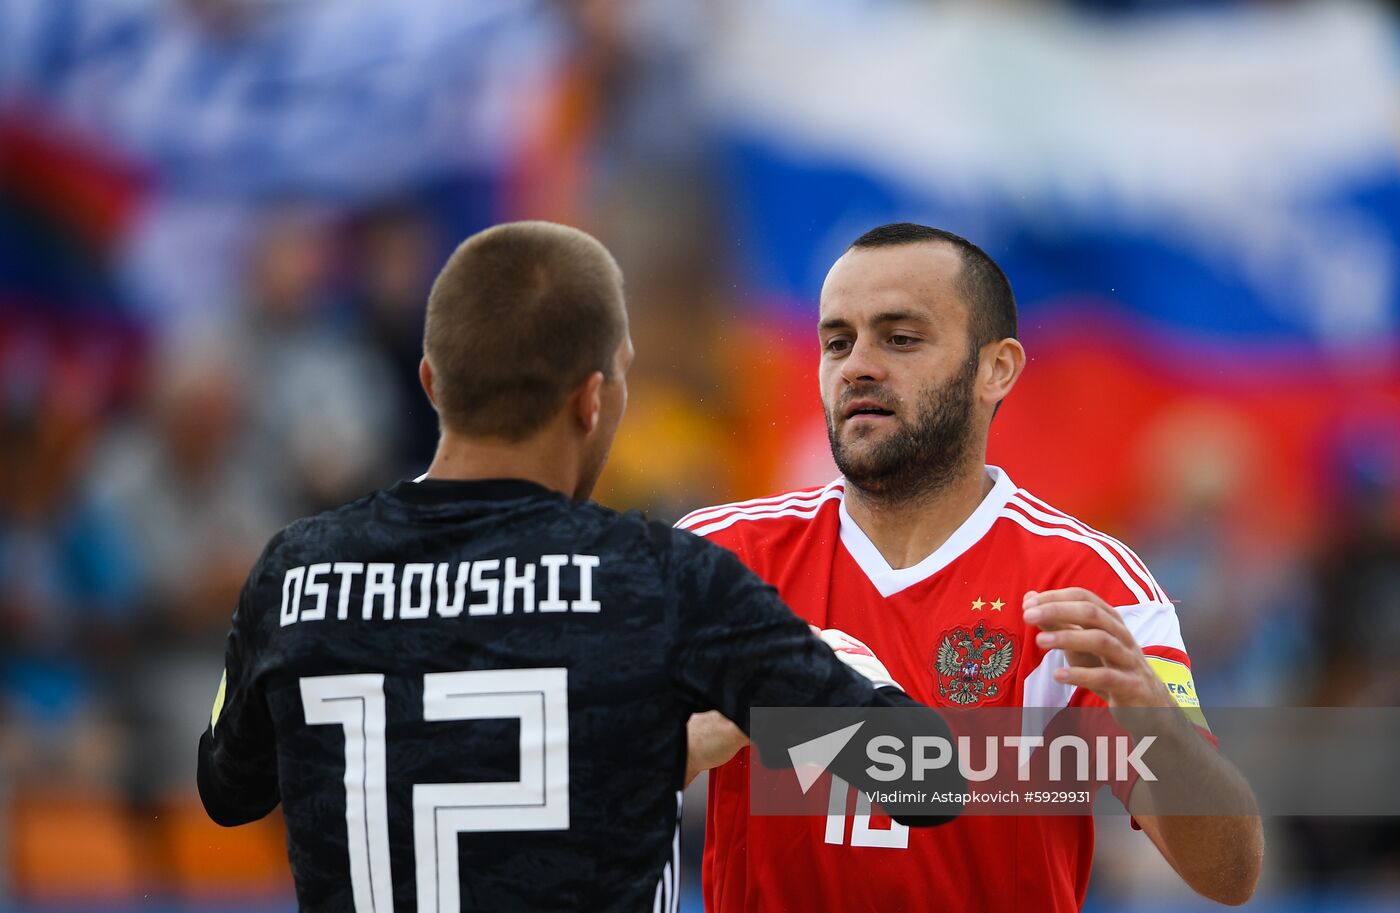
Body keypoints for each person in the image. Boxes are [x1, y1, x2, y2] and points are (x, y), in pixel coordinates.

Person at [195, 221, 959, 913]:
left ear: (432, 382)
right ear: (593, 399)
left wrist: (653, 751)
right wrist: (847, 665)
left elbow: (227, 789)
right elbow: (925, 778)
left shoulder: (293, 571)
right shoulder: (660, 580)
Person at [681, 223, 1264, 911]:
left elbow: (1229, 874)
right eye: (837, 342)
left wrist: (1155, 722)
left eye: (900, 338)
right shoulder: (717, 558)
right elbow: (582, 787)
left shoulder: (1089, 583)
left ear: (997, 369)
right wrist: (684, 744)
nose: (857, 365)